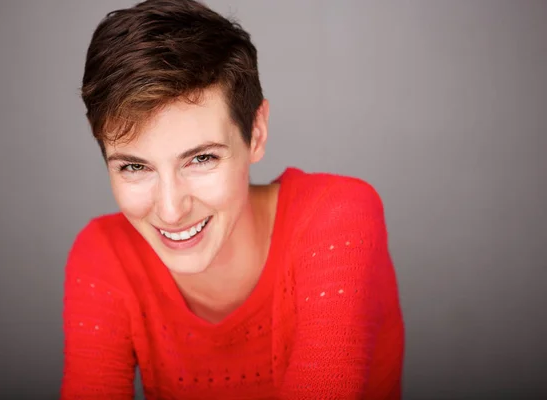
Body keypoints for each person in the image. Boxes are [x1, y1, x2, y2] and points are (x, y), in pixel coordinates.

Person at [60, 0, 404, 398]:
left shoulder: (337, 216)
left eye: (201, 158)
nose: (171, 210)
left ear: (255, 133)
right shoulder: (104, 253)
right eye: (134, 167)